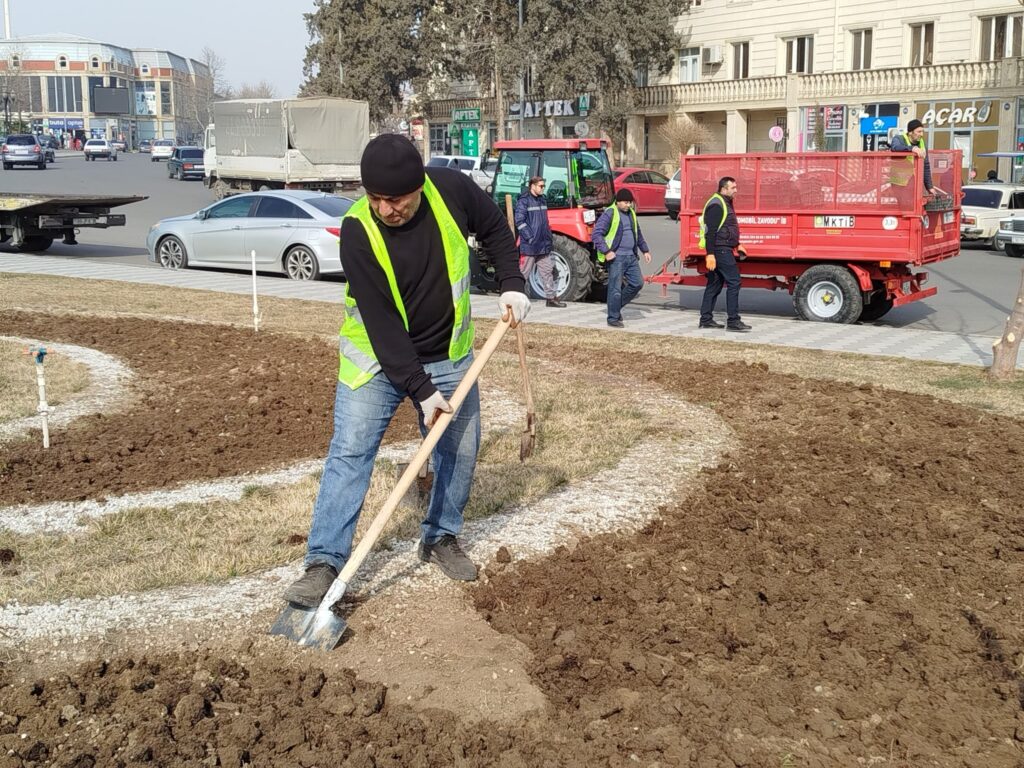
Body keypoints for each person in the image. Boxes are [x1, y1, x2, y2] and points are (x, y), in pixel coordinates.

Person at [283, 134, 529, 608]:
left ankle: (439, 537)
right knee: (351, 453)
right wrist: (420, 389)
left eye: (394, 199)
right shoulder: (358, 230)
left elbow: (496, 228)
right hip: (376, 360)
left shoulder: (452, 191)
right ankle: (323, 563)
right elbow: (381, 322)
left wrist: (512, 284)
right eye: (374, 197)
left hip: (450, 355)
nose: (384, 208)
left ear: (418, 186)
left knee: (459, 449)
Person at [592, 188, 651, 328]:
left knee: (637, 283)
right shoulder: (610, 213)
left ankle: (615, 307)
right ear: (618, 202)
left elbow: (637, 232)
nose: (628, 205)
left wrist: (645, 250)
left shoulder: (631, 213)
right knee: (615, 289)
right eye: (625, 202)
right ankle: (612, 317)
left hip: (631, 256)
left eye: (630, 202)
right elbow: (596, 234)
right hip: (616, 258)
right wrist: (607, 251)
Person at [698, 177, 751, 332]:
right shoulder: (716, 204)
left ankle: (706, 319)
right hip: (720, 250)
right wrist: (710, 254)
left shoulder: (724, 202)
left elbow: (726, 228)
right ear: (723, 188)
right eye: (733, 187)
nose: (736, 190)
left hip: (723, 248)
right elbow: (711, 232)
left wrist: (736, 244)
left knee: (714, 285)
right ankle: (733, 321)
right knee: (734, 282)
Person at [514, 176, 565, 308]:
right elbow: (519, 221)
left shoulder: (542, 200)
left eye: (544, 186)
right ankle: (516, 298)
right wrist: (530, 237)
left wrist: (547, 237)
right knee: (524, 273)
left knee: (547, 271)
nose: (543, 188)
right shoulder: (524, 201)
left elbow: (544, 222)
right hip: (530, 245)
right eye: (541, 186)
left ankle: (551, 298)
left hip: (542, 244)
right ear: (532, 186)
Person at [889, 119, 939, 198]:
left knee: (916, 206)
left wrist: (929, 187)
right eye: (919, 132)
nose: (922, 134)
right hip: (899, 183)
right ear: (910, 132)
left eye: (922, 131)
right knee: (906, 207)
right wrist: (912, 148)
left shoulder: (922, 143)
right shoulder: (899, 138)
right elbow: (895, 147)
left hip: (914, 182)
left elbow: (925, 166)